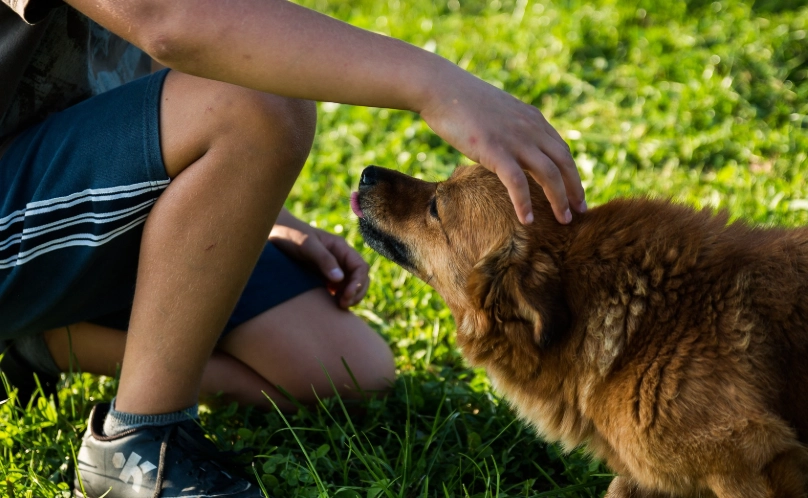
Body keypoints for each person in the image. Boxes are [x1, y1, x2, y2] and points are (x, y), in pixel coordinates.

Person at [0, 0, 586, 496]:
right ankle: (139, 444)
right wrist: (439, 88)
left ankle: (41, 339)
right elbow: (168, 18)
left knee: (344, 370)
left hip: (75, 183)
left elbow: (179, 47)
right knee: (259, 103)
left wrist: (247, 206)